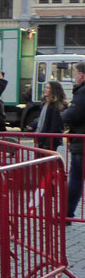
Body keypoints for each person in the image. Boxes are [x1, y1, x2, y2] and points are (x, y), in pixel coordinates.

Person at [63, 63, 85, 217]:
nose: (75, 77)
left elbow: (74, 114)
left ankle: (67, 213)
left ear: (82, 75)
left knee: (76, 179)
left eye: (76, 74)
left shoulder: (82, 92)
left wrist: (61, 118)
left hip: (81, 143)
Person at [35, 80, 68, 156]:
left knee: (47, 164)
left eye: (48, 88)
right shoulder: (45, 103)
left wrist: (47, 142)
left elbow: (56, 127)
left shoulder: (56, 106)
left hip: (49, 141)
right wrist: (32, 125)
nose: (45, 89)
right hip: (42, 139)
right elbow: (42, 119)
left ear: (54, 90)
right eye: (45, 87)